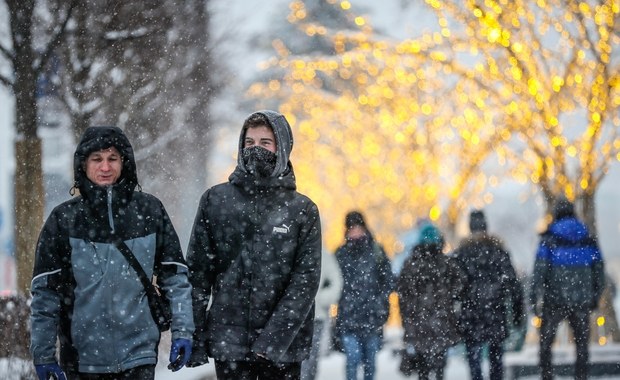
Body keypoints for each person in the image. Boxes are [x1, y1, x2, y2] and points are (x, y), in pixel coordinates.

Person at [30, 126, 195, 380]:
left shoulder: (150, 210)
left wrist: (183, 331)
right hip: (81, 361)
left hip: (139, 357)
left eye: (112, 159)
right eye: (97, 159)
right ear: (83, 165)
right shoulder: (63, 220)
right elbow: (45, 294)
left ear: (124, 162)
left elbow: (175, 277)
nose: (105, 167)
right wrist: (43, 354)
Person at [186, 110, 322, 380]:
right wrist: (195, 333)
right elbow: (198, 273)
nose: (255, 149)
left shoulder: (302, 210)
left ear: (282, 148)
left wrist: (273, 340)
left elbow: (305, 282)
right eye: (249, 143)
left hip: (284, 349)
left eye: (265, 143)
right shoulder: (216, 201)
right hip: (230, 343)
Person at [529, 197, 605, 380]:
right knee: (582, 344)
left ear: (555, 214)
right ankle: (581, 375)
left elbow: (539, 271)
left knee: (546, 342)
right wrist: (594, 296)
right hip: (582, 300)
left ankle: (547, 375)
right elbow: (599, 272)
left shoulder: (548, 239)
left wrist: (533, 298)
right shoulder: (588, 238)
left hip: (554, 300)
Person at [452, 209, 525, 380]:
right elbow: (513, 283)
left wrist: (456, 306)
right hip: (495, 310)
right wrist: (517, 311)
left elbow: (454, 287)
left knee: (473, 354)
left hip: (471, 312)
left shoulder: (461, 253)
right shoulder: (498, 251)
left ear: (470, 227)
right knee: (496, 355)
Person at [397, 223, 465, 380]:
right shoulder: (446, 263)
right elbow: (460, 284)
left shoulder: (411, 264)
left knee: (423, 368)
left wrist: (408, 316)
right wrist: (448, 298)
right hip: (441, 320)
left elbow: (403, 293)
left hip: (419, 322)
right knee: (439, 365)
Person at [334, 211, 393, 380]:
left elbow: (388, 280)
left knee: (370, 363)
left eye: (358, 228)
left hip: (372, 317)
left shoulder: (377, 251)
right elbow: (334, 283)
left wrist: (380, 301)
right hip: (348, 317)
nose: (355, 232)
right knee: (352, 359)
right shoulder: (341, 253)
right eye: (352, 228)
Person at [300, 250, 343, 380]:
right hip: (287, 316)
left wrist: (322, 299)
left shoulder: (323, 253)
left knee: (310, 359)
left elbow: (336, 281)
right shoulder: (287, 247)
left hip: (315, 315)